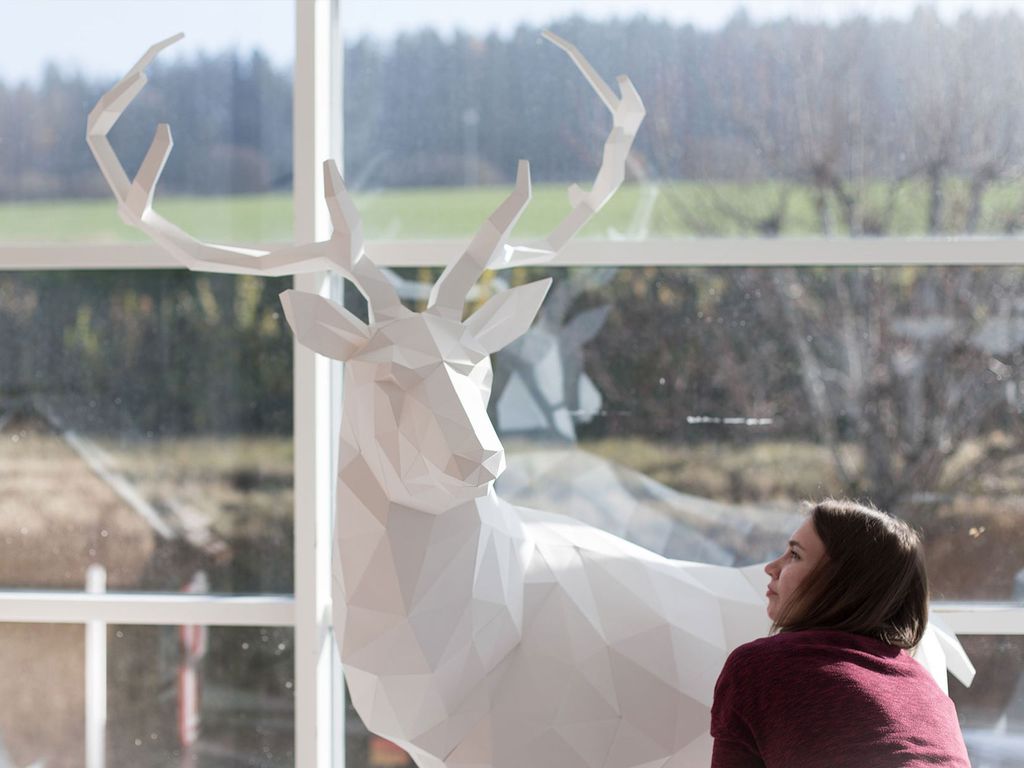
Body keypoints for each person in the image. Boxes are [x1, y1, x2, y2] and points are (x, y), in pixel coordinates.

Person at [710, 498, 971, 767]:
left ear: (842, 582)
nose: (771, 567)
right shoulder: (926, 685)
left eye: (795, 555)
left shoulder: (758, 665)